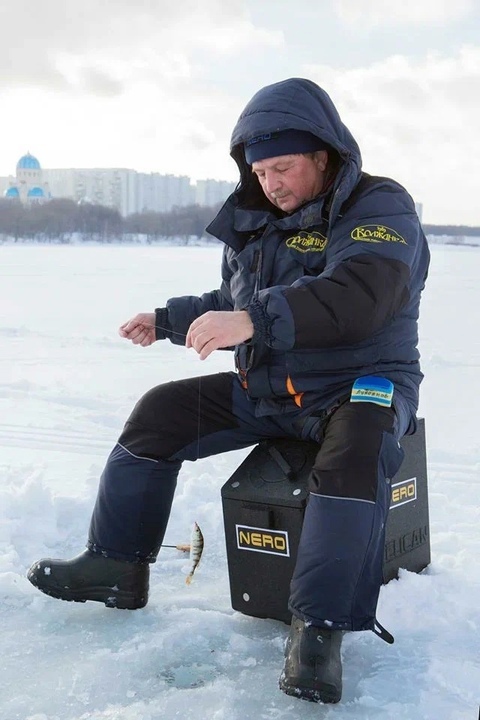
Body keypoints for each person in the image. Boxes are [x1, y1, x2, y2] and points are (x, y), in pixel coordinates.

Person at [27, 77, 430, 704]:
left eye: (284, 167)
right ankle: (116, 565)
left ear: (323, 155)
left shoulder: (380, 207)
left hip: (358, 385)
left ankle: (319, 630)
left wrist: (252, 321)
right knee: (160, 413)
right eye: (260, 170)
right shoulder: (259, 219)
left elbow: (362, 296)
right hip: (271, 389)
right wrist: (168, 319)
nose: (271, 182)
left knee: (359, 447)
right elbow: (235, 300)